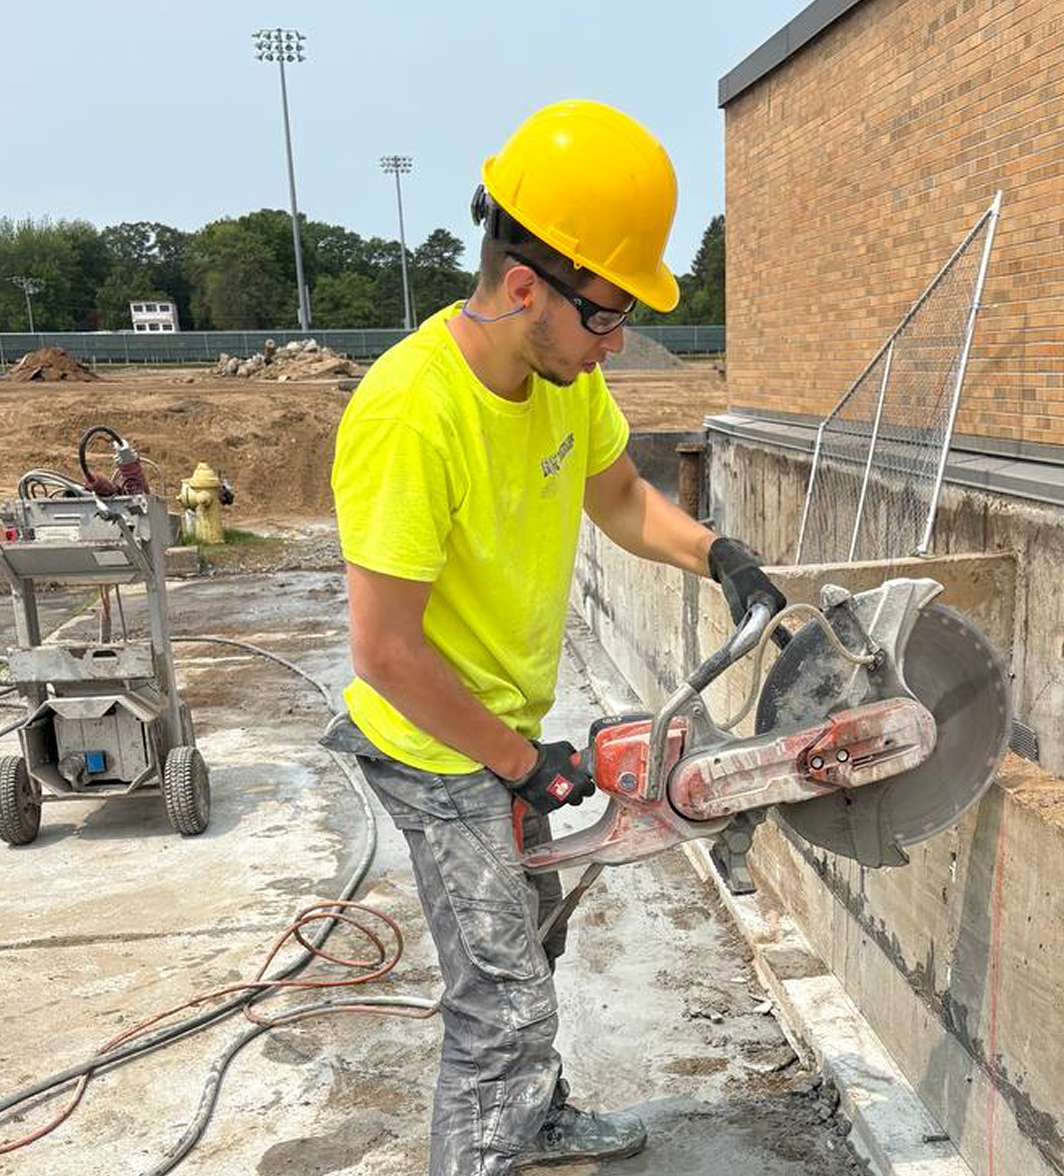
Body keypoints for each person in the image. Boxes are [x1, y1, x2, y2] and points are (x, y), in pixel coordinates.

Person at [322, 99, 785, 1175]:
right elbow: (384, 653)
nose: (617, 340)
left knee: (533, 938)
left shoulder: (562, 379)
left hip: (500, 722)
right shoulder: (411, 414)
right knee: (502, 1003)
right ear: (526, 285)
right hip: (433, 744)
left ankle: (539, 1121)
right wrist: (525, 766)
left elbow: (619, 497)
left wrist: (719, 554)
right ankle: (491, 1145)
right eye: (606, 315)